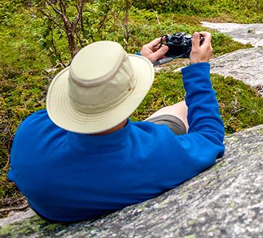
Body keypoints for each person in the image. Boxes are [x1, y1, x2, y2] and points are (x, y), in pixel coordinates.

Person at [7, 32, 224, 223]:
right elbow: (209, 137)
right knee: (184, 108)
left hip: (75, 181)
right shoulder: (152, 158)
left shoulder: (31, 131)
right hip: (123, 160)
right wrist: (198, 70)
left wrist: (138, 63)